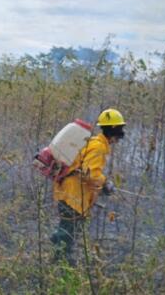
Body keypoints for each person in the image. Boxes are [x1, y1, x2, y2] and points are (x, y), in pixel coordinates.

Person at [50, 108, 124, 265]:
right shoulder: (98, 147)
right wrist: (106, 183)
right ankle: (61, 263)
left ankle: (58, 250)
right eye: (120, 128)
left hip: (69, 191)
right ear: (113, 129)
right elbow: (89, 173)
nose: (121, 133)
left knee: (68, 227)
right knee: (69, 231)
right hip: (73, 195)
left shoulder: (93, 142)